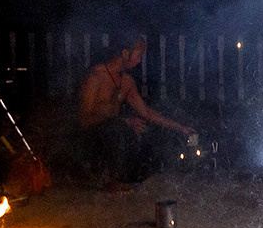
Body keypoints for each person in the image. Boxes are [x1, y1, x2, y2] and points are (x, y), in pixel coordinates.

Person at [77, 36, 195, 191]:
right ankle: (111, 180)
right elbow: (84, 119)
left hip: (115, 135)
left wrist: (180, 128)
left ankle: (134, 175)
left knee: (144, 127)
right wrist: (123, 121)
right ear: (126, 53)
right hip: (94, 139)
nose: (139, 61)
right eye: (138, 55)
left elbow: (146, 112)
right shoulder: (96, 76)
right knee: (118, 127)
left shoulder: (126, 81)